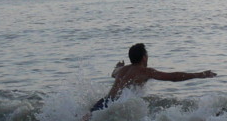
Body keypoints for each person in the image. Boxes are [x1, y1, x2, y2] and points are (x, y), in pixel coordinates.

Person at [85, 42, 217, 116]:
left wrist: (118, 66)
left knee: (85, 120)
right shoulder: (145, 71)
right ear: (144, 58)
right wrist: (199, 74)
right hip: (117, 107)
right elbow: (173, 77)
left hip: (104, 102)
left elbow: (113, 73)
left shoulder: (122, 70)